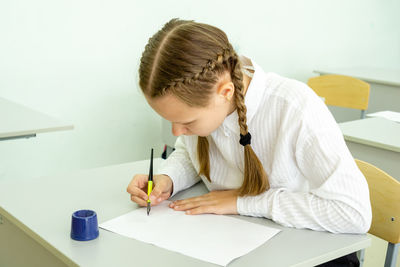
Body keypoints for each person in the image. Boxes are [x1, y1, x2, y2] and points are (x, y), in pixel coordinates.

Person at [127, 18, 371, 266]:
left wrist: (241, 202)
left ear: (226, 92)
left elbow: (353, 213)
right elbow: (190, 154)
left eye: (187, 122)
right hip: (236, 244)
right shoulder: (209, 106)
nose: (177, 132)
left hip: (311, 252)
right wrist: (167, 179)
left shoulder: (295, 108)